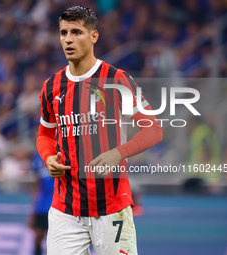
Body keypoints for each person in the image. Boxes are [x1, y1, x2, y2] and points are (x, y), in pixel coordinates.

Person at [36, 6, 163, 255]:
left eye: (76, 32)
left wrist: (118, 153)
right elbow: (45, 134)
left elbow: (153, 130)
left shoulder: (117, 80)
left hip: (111, 208)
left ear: (94, 36)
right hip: (65, 210)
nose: (68, 39)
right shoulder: (51, 86)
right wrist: (48, 157)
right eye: (63, 33)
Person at [29, 151, 54, 255]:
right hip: (42, 205)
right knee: (38, 235)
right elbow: (36, 183)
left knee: (52, 238)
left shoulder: (61, 151)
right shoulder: (37, 156)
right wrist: (33, 208)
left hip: (56, 204)